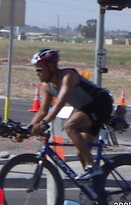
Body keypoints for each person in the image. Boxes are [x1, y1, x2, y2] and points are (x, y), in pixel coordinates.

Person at [16, 49, 113, 180]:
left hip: (101, 103)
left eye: (40, 69)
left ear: (51, 67)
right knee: (81, 152)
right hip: (86, 109)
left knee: (69, 126)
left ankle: (93, 166)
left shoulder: (68, 76)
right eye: (36, 70)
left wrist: (44, 124)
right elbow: (42, 111)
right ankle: (93, 187)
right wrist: (27, 129)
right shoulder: (47, 86)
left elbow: (60, 102)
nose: (37, 73)